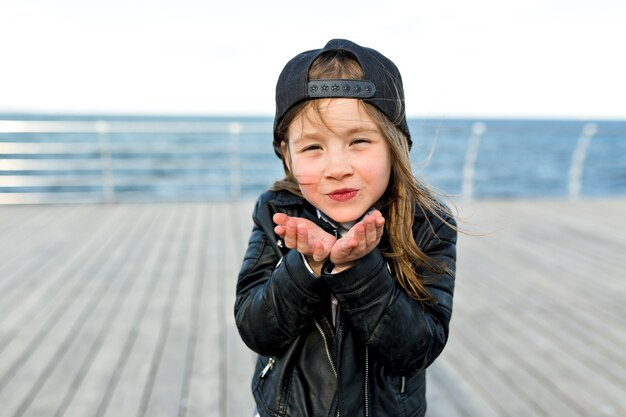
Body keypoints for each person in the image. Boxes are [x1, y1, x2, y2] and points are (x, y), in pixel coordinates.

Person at [234, 38, 457, 417]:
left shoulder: (428, 224)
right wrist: (306, 265)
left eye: (358, 141)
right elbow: (256, 330)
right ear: (286, 155)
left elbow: (418, 349)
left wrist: (357, 269)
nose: (337, 167)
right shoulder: (276, 212)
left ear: (395, 145)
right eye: (312, 148)